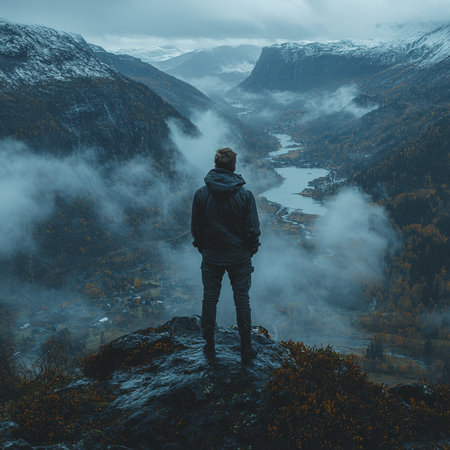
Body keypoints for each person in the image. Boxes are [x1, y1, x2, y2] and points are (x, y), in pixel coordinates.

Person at [191, 147, 261, 364]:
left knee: (210, 299)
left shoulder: (201, 194)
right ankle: (246, 349)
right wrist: (250, 250)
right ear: (233, 167)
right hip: (239, 257)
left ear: (215, 166)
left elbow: (196, 229)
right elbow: (253, 230)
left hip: (212, 256)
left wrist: (204, 248)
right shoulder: (245, 195)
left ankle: (209, 347)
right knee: (242, 300)